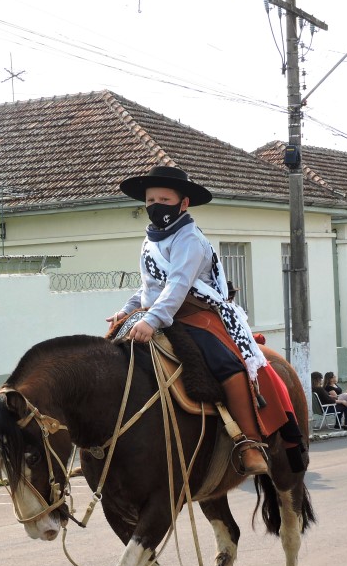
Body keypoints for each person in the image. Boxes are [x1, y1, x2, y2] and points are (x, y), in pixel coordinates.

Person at [107, 165, 303, 476]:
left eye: (164, 198)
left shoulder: (190, 240)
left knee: (228, 366)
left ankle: (249, 442)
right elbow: (149, 287)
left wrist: (152, 319)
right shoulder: (150, 241)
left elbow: (178, 284)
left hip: (196, 314)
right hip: (158, 313)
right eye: (150, 199)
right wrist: (127, 310)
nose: (155, 205)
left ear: (183, 203)